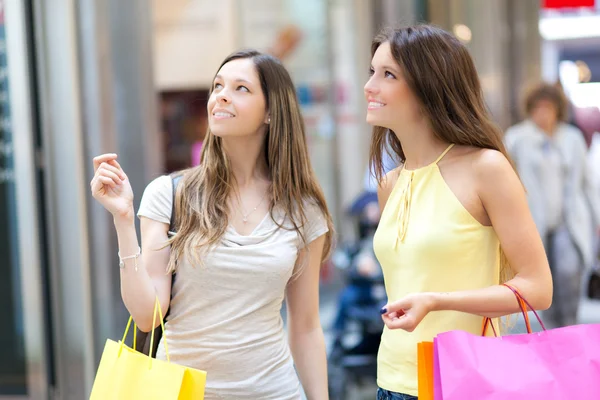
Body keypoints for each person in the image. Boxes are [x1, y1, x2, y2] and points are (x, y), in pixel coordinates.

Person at [90, 50, 334, 400]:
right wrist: (123, 220)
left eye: (240, 88)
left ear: (270, 112)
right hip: (183, 392)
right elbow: (148, 316)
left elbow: (307, 327)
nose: (220, 95)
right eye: (217, 85)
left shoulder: (302, 209)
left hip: (275, 391)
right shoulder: (170, 195)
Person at [363, 25, 553, 399]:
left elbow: (538, 289)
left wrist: (438, 300)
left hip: (463, 380)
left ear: (428, 86)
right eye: (372, 71)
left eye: (387, 74)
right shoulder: (389, 184)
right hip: (391, 380)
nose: (370, 86)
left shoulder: (486, 168)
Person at [505, 83, 600, 328]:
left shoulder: (572, 137)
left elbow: (588, 182)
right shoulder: (517, 138)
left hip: (568, 222)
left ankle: (570, 332)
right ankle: (547, 339)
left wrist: (597, 218)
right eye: (538, 108)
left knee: (569, 276)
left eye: (548, 108)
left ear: (558, 109)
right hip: (532, 223)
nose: (543, 114)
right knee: (539, 287)